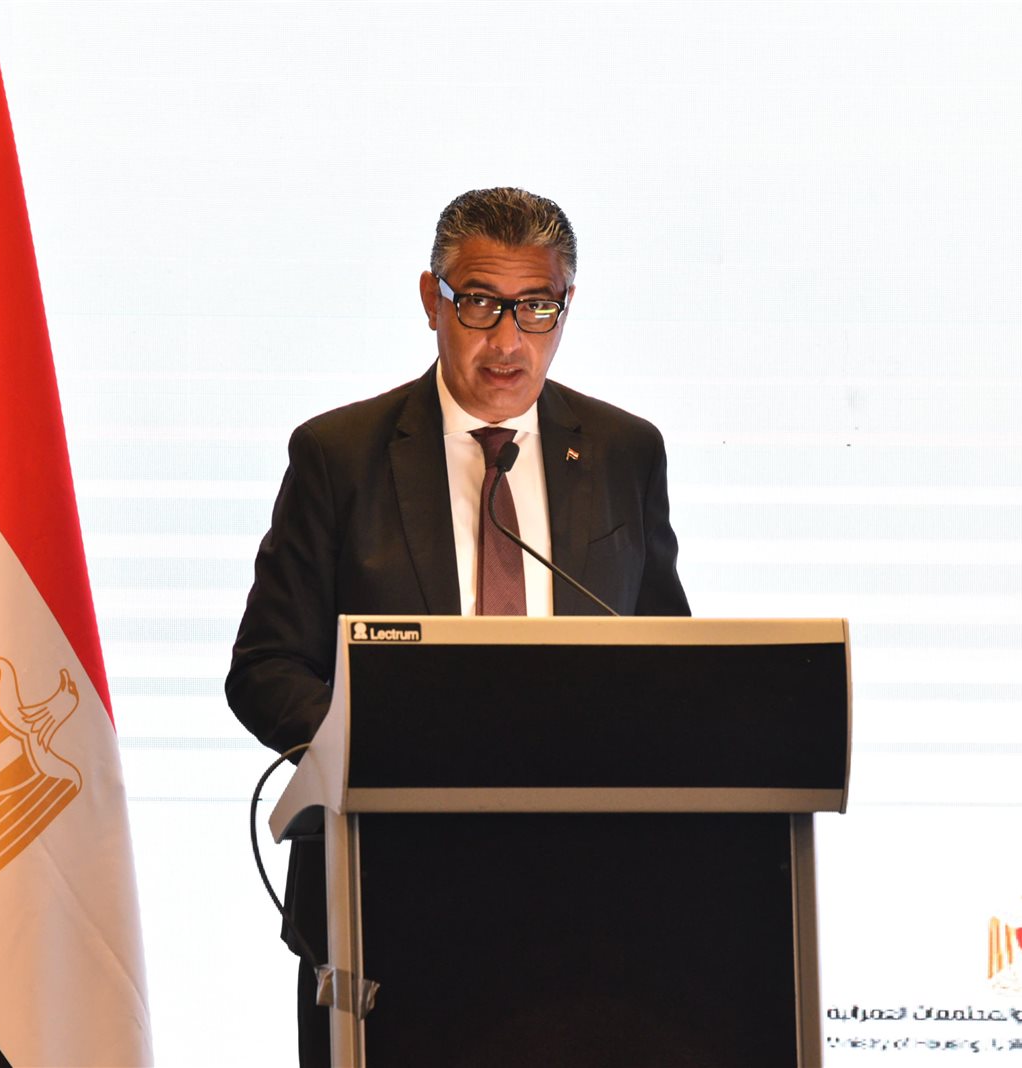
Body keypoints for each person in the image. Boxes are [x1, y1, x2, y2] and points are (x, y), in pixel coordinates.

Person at [226, 187, 690, 1066]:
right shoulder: (340, 455)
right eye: (479, 302)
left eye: (536, 307)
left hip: (590, 910)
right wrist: (384, 753)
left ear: (567, 307)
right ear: (431, 299)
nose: (508, 341)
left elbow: (667, 661)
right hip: (381, 899)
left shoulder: (626, 452)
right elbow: (265, 669)